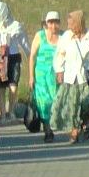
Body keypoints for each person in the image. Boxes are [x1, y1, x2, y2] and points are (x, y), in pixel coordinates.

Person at [53, 9, 89, 142]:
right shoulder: (67, 37)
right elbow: (59, 55)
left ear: (79, 23)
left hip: (88, 77)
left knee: (87, 104)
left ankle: (84, 123)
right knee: (73, 105)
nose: (68, 27)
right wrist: (59, 71)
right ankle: (74, 130)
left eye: (71, 24)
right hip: (71, 77)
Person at [26, 10, 64, 141]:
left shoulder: (64, 36)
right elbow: (32, 56)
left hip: (56, 76)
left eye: (56, 23)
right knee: (44, 103)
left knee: (55, 101)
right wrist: (31, 76)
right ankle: (47, 130)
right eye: (50, 23)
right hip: (41, 76)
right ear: (46, 23)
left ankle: (54, 124)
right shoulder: (40, 36)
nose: (53, 26)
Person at [0, 0, 27, 119]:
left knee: (13, 83)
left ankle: (12, 111)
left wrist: (30, 55)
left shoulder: (16, 25)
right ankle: (3, 113)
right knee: (0, 84)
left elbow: (24, 43)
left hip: (13, 55)